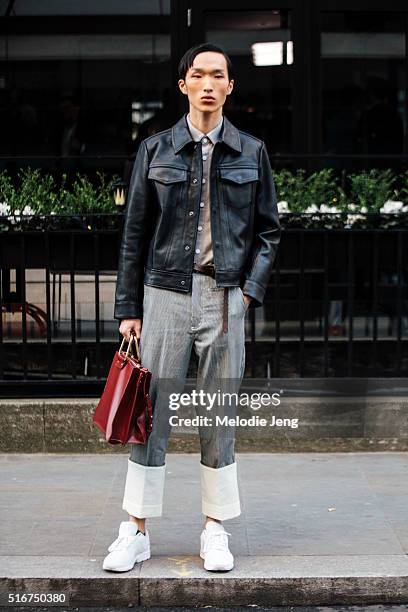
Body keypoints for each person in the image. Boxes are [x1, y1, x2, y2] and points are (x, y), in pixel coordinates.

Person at [103, 43, 281, 573]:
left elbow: (270, 231)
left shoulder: (252, 151)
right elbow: (134, 232)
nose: (208, 83)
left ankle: (215, 528)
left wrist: (248, 290)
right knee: (149, 415)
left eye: (218, 75)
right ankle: (135, 528)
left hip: (225, 296)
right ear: (183, 86)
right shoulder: (156, 150)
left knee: (218, 415)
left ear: (230, 87)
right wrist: (128, 306)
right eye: (198, 75)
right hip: (164, 295)